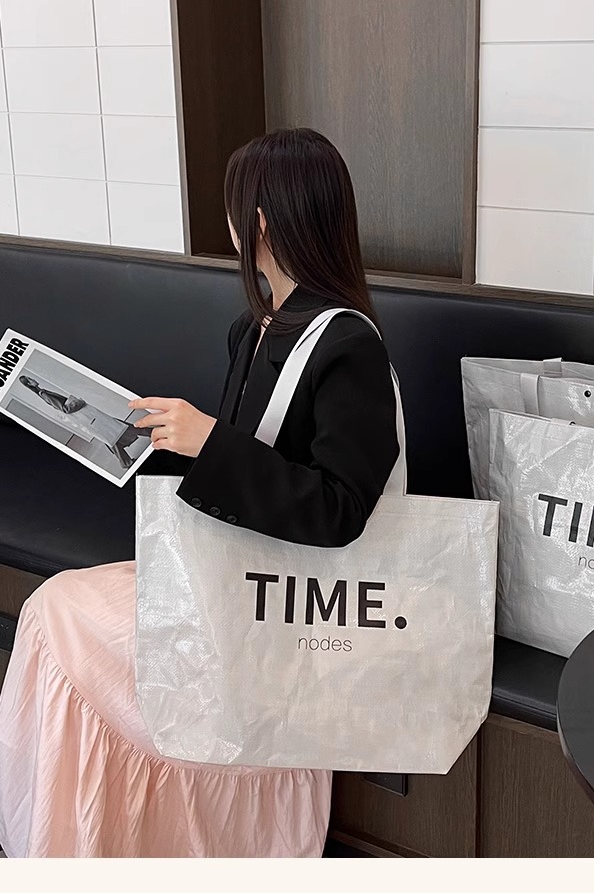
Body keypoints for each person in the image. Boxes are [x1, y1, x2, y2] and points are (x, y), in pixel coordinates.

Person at [0, 128, 400, 858]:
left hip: (287, 603)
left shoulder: (350, 347)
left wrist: (207, 441)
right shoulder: (254, 330)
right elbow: (242, 465)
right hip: (232, 571)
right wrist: (156, 440)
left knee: (58, 618)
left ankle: (87, 846)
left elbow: (341, 510)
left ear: (259, 223)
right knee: (52, 613)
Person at [18, 377, 151, 470]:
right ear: (30, 383)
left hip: (91, 419)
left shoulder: (43, 392)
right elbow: (66, 409)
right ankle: (144, 438)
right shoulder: (44, 394)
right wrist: (79, 402)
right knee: (115, 433)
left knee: (114, 434)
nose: (33, 380)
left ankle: (127, 460)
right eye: (30, 380)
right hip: (90, 419)